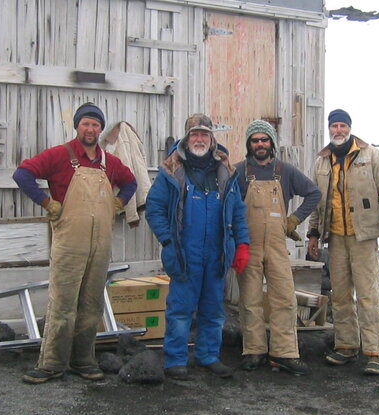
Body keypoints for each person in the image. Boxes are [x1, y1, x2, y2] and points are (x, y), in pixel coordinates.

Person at [13, 103, 137, 383]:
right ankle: (51, 364)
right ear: (77, 126)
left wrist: (119, 202)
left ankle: (83, 360)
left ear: (100, 129)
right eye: (86, 124)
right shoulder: (59, 155)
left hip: (100, 245)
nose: (90, 129)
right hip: (69, 243)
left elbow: (131, 183)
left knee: (91, 304)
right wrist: (46, 201)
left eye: (95, 125)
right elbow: (22, 174)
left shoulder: (109, 162)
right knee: (63, 303)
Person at [145, 113, 250, 380]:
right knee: (180, 310)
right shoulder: (171, 171)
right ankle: (175, 360)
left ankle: (208, 356)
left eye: (204, 134)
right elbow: (154, 208)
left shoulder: (226, 172)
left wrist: (242, 244)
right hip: (184, 252)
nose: (199, 139)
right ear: (186, 138)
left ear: (212, 138)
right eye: (195, 134)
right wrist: (168, 240)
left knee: (213, 309)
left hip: (217, 253)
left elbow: (238, 212)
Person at [306, 109, 379, 376]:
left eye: (342, 125)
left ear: (349, 128)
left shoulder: (370, 155)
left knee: (368, 295)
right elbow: (317, 202)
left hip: (363, 237)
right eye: (334, 126)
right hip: (335, 237)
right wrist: (314, 234)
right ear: (329, 129)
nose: (338, 130)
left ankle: (375, 351)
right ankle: (346, 346)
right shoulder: (322, 161)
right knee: (341, 295)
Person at [233, 119, 321, 375]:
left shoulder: (285, 171)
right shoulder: (238, 172)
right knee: (250, 300)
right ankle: (254, 350)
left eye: (264, 139)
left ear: (271, 143)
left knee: (284, 298)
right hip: (248, 244)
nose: (260, 144)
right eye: (255, 140)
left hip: (276, 245)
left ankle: (284, 353)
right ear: (249, 144)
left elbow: (314, 193)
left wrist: (294, 219)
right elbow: (228, 206)